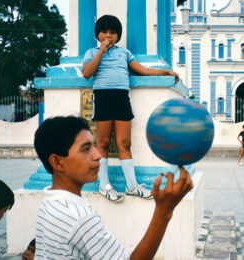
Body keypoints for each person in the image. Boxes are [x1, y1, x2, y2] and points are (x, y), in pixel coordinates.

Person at [33, 116, 193, 259]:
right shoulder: (80, 218)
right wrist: (163, 212)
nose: (98, 156)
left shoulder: (48, 203)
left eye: (94, 146)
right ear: (57, 162)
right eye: (86, 149)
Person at [82, 15, 180, 202]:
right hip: (102, 97)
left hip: (121, 98)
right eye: (104, 32)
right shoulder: (91, 52)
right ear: (98, 34)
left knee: (124, 143)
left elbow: (142, 70)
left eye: (112, 32)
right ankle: (104, 185)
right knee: (102, 143)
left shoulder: (124, 53)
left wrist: (165, 72)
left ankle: (132, 186)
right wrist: (101, 51)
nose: (108, 36)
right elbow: (87, 73)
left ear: (118, 36)